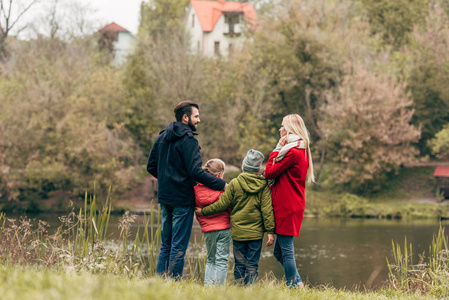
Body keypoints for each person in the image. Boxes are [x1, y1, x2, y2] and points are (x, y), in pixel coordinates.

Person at [147, 101, 226, 279]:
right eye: (196, 116)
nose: (199, 120)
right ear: (185, 117)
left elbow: (151, 167)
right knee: (178, 245)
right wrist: (222, 184)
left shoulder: (161, 137)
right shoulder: (188, 139)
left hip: (165, 197)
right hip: (182, 199)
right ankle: (173, 284)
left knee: (166, 244)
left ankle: (161, 284)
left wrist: (168, 180)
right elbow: (195, 171)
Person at [196, 149, 275, 285]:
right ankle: (248, 291)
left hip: (238, 233)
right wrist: (271, 232)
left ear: (244, 167)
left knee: (239, 264)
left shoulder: (234, 184)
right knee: (252, 265)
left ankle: (238, 289)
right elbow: (267, 210)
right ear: (257, 168)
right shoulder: (264, 186)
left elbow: (221, 204)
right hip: (256, 234)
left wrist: (204, 212)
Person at [263, 114, 315, 288]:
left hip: (287, 205)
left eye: (282, 126)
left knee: (286, 250)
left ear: (290, 129)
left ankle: (293, 286)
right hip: (291, 204)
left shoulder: (292, 152)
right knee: (279, 252)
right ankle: (297, 283)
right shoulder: (300, 149)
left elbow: (269, 173)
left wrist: (277, 148)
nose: (280, 129)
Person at [194, 158, 231, 285]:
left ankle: (208, 288)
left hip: (208, 230)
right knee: (221, 260)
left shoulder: (197, 190)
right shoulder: (223, 189)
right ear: (220, 175)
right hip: (224, 228)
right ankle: (219, 290)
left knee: (211, 259)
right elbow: (230, 207)